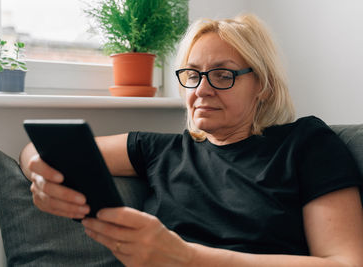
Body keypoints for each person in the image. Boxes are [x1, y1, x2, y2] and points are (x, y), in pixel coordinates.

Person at [20, 14, 363, 267]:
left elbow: (345, 263)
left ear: (263, 85)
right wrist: (38, 170)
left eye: (221, 74)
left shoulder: (306, 143)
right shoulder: (159, 150)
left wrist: (186, 257)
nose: (201, 90)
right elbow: (40, 149)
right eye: (192, 75)